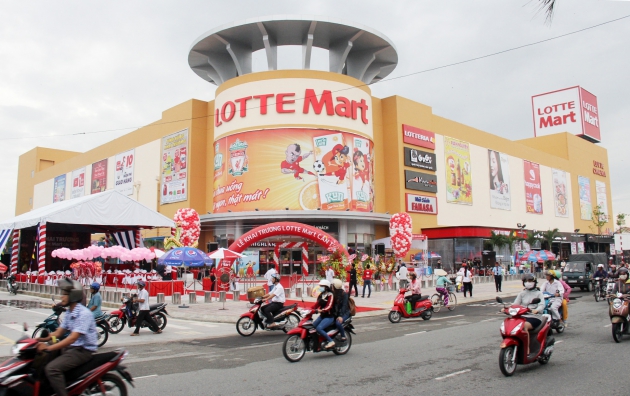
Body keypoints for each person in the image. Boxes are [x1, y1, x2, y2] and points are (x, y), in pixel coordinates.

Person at [37, 279, 97, 396]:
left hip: (82, 351)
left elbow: (72, 338)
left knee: (52, 369)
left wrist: (49, 348)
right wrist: (39, 340)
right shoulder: (70, 312)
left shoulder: (84, 314)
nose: (61, 297)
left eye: (64, 294)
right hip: (72, 348)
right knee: (43, 360)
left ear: (73, 295)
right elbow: (58, 333)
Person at [513, 274, 545, 355]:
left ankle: (527, 349)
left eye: (530, 281)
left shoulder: (539, 293)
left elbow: (541, 305)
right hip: (522, 316)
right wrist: (506, 308)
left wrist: (536, 310)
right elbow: (516, 304)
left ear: (534, 282)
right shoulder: (522, 293)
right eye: (526, 281)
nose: (528, 283)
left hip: (534, 317)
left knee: (524, 326)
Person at [311, 280, 336, 349]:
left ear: (326, 287)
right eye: (320, 286)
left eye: (322, 286)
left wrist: (322, 310)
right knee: (312, 326)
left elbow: (329, 306)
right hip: (322, 315)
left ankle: (331, 341)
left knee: (319, 328)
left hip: (329, 316)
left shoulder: (330, 295)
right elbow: (316, 305)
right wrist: (309, 309)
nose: (320, 287)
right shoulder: (322, 295)